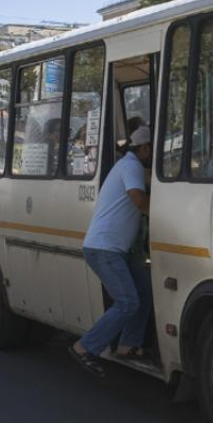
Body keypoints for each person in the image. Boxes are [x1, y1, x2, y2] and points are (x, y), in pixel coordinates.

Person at [70, 125, 153, 377]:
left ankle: (128, 345)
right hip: (104, 249)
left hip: (119, 249)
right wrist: (162, 213)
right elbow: (137, 199)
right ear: (145, 148)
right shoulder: (131, 166)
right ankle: (85, 347)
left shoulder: (127, 164)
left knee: (144, 292)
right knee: (128, 301)